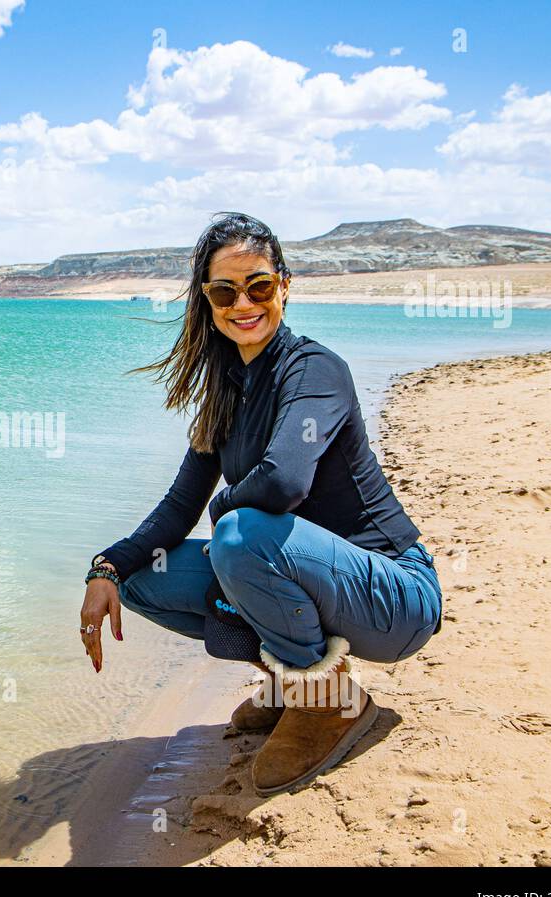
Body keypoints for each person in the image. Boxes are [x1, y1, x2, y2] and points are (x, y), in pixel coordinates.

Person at [78, 212, 443, 796]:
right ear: (207, 301)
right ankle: (292, 683)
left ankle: (328, 706)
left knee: (240, 536)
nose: (242, 302)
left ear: (285, 286)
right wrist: (106, 569)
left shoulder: (315, 371)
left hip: (395, 596)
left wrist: (226, 520)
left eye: (259, 286)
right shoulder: (224, 392)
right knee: (146, 577)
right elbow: (177, 508)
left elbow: (282, 484)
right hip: (320, 587)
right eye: (225, 290)